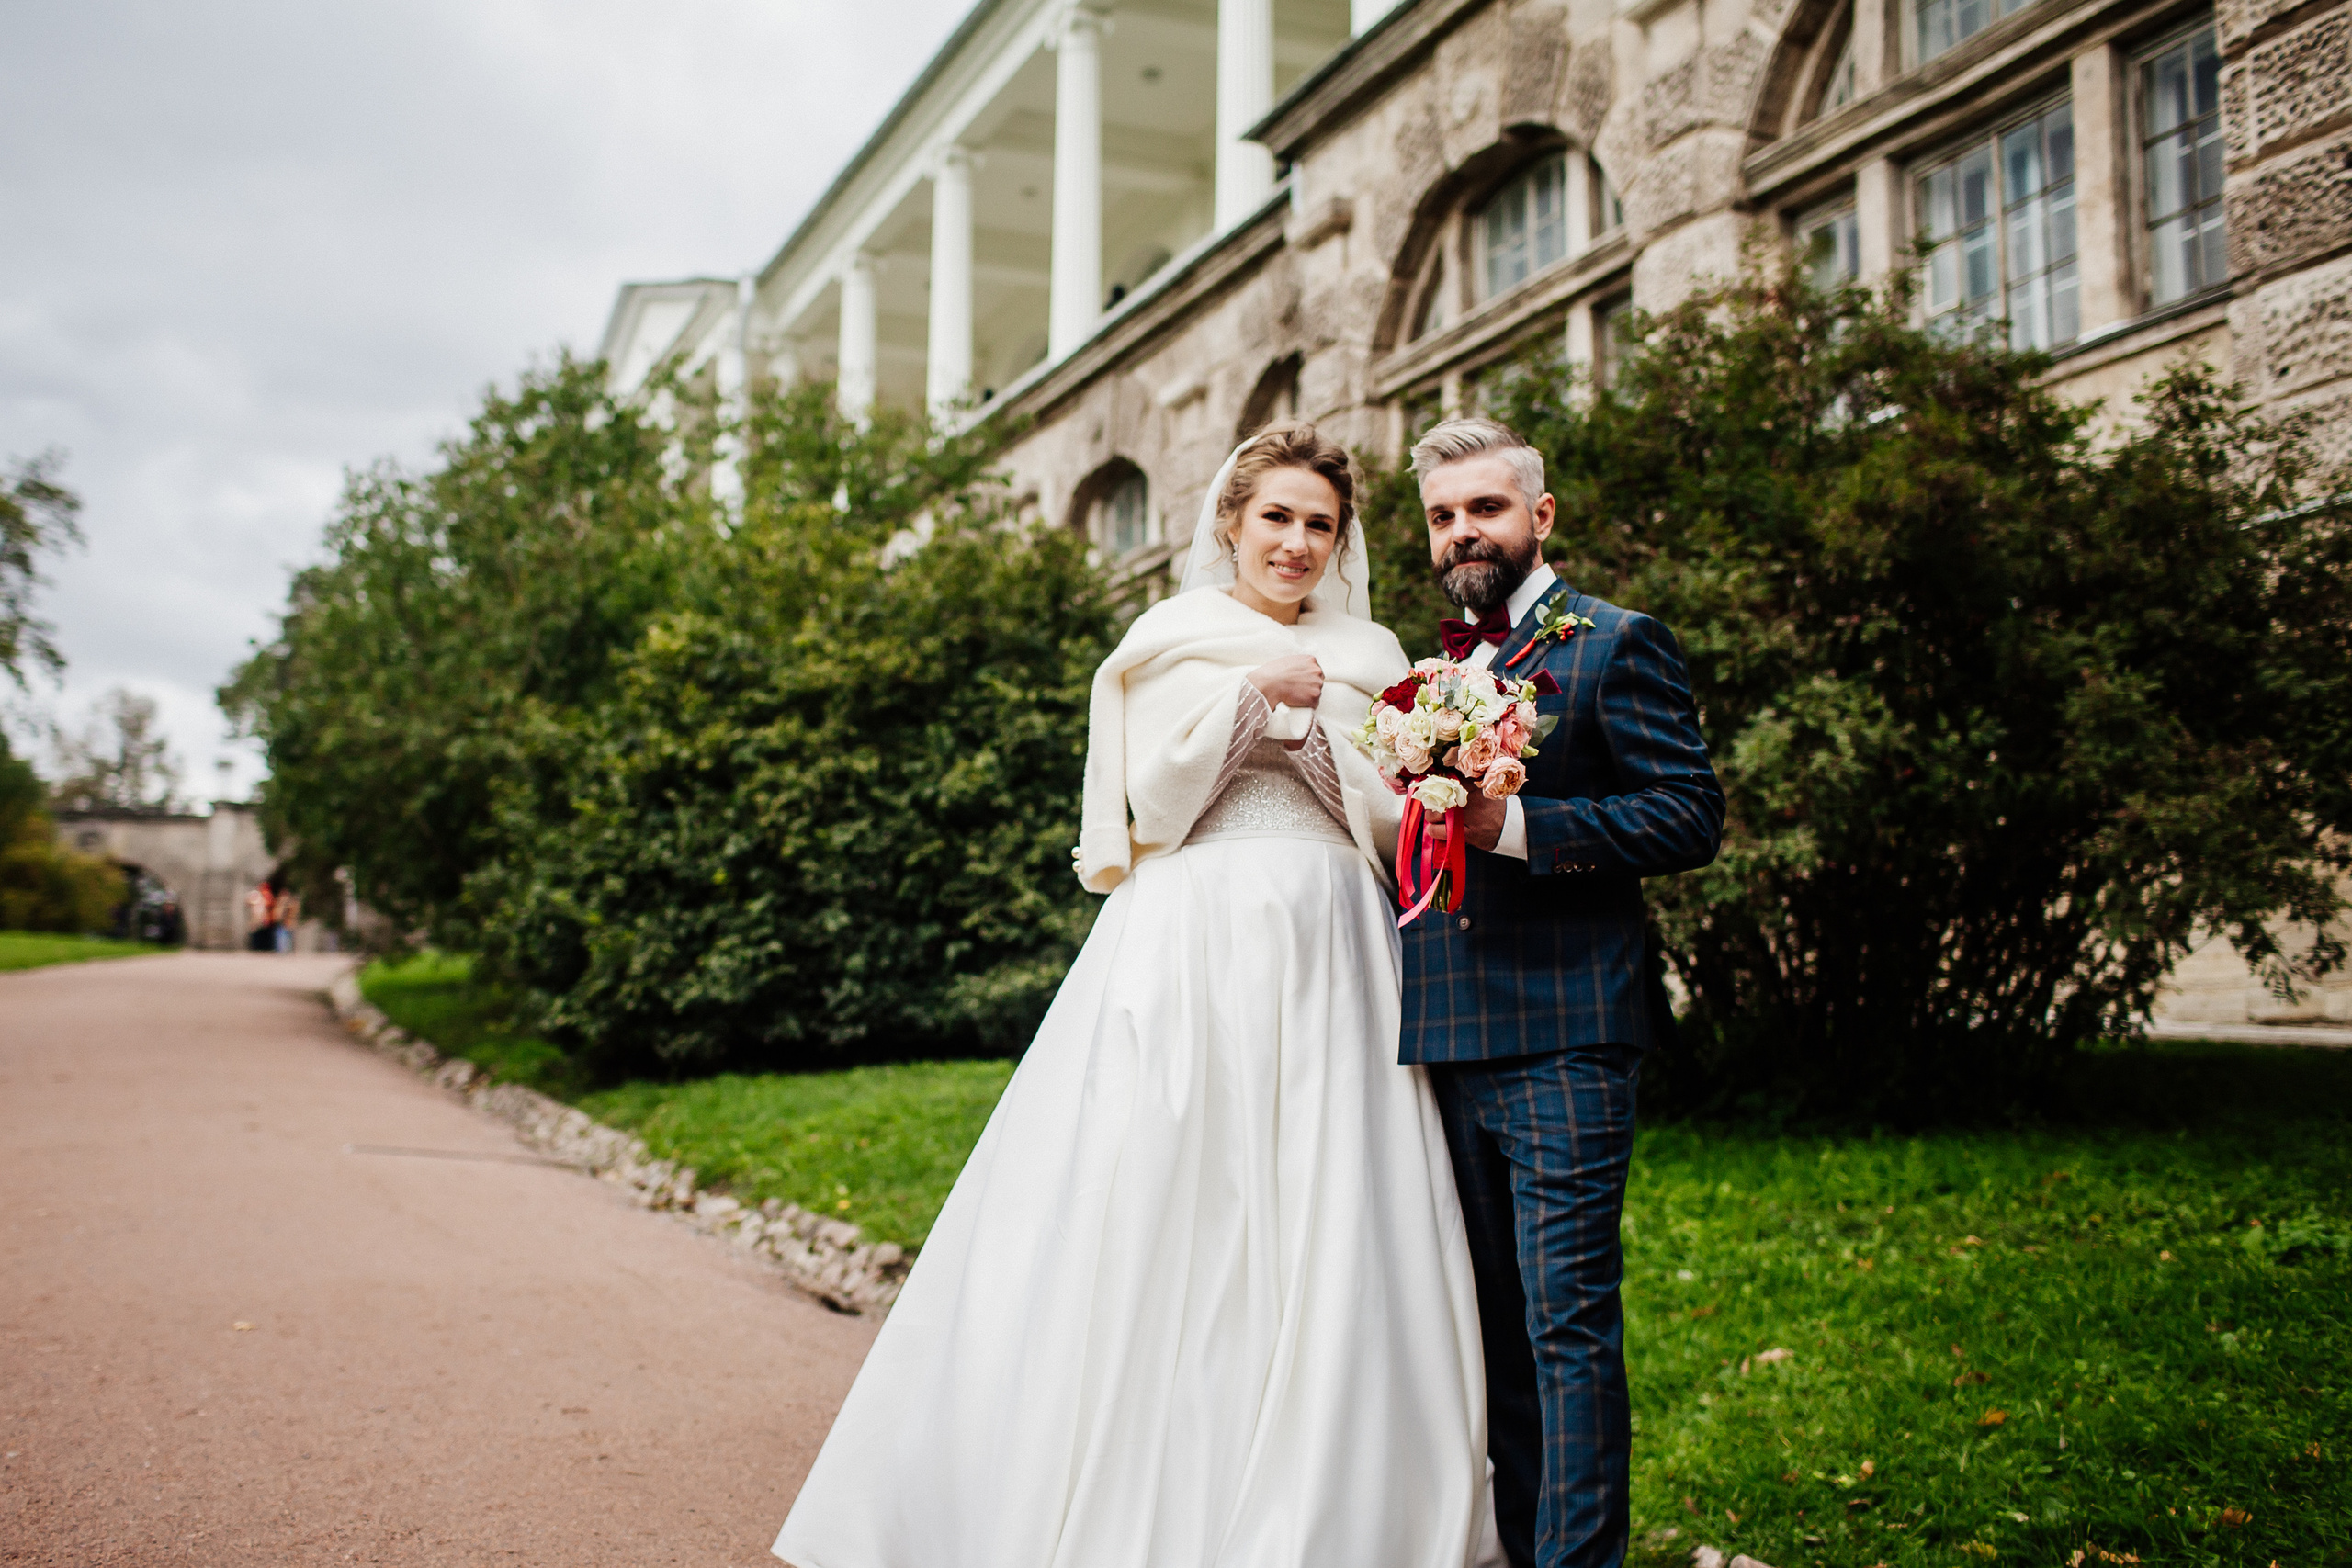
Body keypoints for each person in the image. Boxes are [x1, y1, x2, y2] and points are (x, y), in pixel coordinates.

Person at [773, 423, 1495, 1568]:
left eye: (1319, 524)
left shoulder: (1376, 653)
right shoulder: (1165, 642)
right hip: (1192, 934)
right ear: (1230, 523)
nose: (1297, 544)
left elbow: (1396, 823)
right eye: (1277, 518)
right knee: (1171, 1191)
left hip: (1334, 938)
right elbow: (1146, 808)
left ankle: (1330, 1493)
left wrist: (1326, 749)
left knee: (1332, 1191)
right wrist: (1248, 702)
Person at [1401, 419, 1724, 1568]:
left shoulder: (1615, 643)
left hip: (1565, 1037)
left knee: (1567, 1326)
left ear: (1541, 516)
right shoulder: (1437, 674)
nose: (1462, 532)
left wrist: (1519, 824)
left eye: (1483, 508)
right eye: (1443, 516)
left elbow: (1687, 816)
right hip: (1445, 1037)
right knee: (1494, 1336)